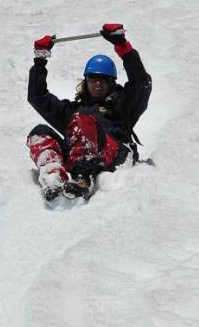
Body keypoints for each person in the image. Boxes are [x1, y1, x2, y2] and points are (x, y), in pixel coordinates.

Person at [27, 23, 152, 201]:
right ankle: (53, 179)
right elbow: (37, 97)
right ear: (86, 81)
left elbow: (141, 83)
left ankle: (83, 178)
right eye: (93, 79)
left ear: (111, 82)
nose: (98, 84)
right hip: (77, 153)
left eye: (104, 80)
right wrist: (40, 60)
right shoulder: (74, 110)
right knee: (40, 132)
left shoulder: (121, 105)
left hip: (114, 154)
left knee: (82, 121)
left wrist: (123, 47)